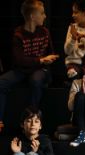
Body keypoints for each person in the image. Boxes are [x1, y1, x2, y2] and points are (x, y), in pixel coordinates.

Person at [0, 0, 59, 133]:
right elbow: (19, 60)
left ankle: (32, 121)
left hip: (40, 70)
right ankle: (0, 121)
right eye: (42, 13)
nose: (45, 16)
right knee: (2, 82)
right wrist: (41, 60)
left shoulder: (44, 32)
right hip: (23, 70)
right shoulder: (18, 34)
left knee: (36, 80)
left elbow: (51, 53)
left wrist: (49, 59)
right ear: (32, 16)